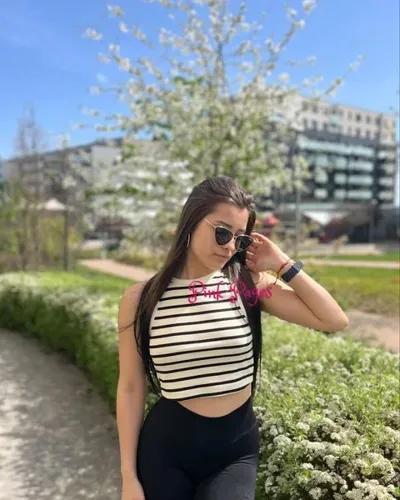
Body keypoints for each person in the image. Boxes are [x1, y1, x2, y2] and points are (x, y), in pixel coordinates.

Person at [117, 175, 349, 500]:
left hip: (234, 452)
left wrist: (282, 264)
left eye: (239, 239)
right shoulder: (141, 299)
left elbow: (334, 320)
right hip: (166, 452)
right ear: (191, 222)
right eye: (222, 232)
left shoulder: (247, 285)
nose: (229, 246)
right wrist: (129, 476)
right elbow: (130, 387)